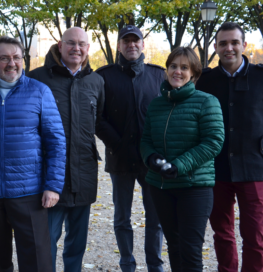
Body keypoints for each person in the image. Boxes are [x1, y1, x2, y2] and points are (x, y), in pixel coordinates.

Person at [196, 22, 263, 272]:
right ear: (215, 47)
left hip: (254, 167)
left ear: (244, 45)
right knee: (221, 232)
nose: (229, 48)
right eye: (223, 43)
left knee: (254, 234)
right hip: (217, 170)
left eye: (234, 42)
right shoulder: (205, 81)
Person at [0, 36, 66, 272]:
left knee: (37, 261)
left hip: (29, 193)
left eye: (16, 57)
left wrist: (53, 185)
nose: (11, 63)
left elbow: (56, 142)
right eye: (4, 58)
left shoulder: (39, 92)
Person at [140, 47, 224, 272]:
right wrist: (151, 158)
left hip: (194, 186)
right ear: (167, 70)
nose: (178, 71)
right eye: (173, 66)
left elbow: (213, 141)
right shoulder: (157, 104)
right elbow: (146, 139)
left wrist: (179, 165)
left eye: (184, 67)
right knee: (174, 246)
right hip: (162, 186)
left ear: (194, 74)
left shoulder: (207, 102)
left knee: (190, 250)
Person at [28, 27, 104, 272]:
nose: (76, 48)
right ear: (60, 45)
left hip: (84, 173)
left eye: (82, 44)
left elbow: (98, 121)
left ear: (87, 49)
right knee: (46, 240)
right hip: (49, 176)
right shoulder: (37, 78)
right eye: (71, 43)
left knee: (77, 243)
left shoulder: (96, 81)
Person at [95, 25, 165, 272]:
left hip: (152, 160)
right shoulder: (103, 76)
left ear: (143, 45)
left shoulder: (159, 76)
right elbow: (98, 118)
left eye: (136, 41)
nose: (131, 45)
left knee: (155, 218)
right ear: (119, 45)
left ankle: (155, 264)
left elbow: (168, 115)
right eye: (126, 41)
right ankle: (127, 264)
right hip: (120, 159)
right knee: (122, 217)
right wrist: (118, 145)